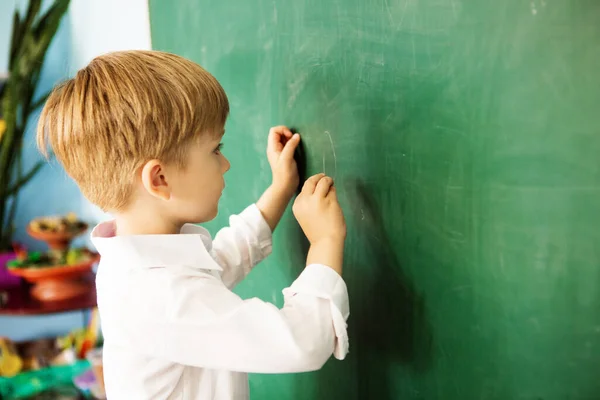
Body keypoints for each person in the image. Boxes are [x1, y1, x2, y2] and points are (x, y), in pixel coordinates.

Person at [37, 50, 349, 399]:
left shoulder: (134, 263)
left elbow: (218, 263)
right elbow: (302, 342)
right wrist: (325, 241)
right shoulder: (162, 295)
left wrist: (280, 190)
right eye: (216, 149)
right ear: (160, 178)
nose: (226, 163)